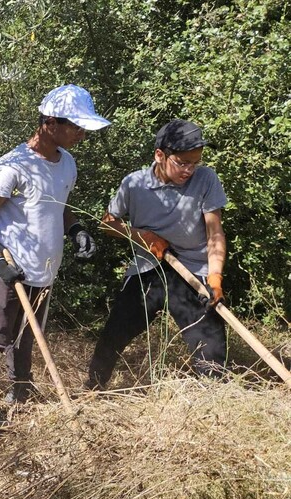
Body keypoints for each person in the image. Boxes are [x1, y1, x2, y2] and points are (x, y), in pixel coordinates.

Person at [0, 84, 111, 426]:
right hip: (8, 271)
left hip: (44, 270)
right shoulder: (13, 166)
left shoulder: (67, 163)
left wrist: (76, 230)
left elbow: (57, 208)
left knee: (28, 335)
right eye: (76, 127)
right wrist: (0, 263)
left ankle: (21, 393)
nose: (81, 135)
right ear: (50, 122)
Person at [86, 120, 227, 388]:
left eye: (195, 162)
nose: (189, 170)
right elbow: (108, 223)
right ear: (160, 155)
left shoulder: (206, 179)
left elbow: (215, 233)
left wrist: (216, 275)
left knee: (211, 347)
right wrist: (145, 236)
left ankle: (214, 400)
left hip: (193, 273)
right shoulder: (134, 184)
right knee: (115, 332)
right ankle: (93, 387)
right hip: (147, 267)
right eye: (183, 162)